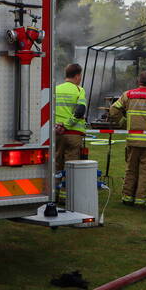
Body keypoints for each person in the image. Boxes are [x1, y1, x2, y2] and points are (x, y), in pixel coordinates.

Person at [108, 70, 146, 207]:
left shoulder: (127, 95)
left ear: (138, 81)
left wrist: (124, 123)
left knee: (130, 169)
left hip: (132, 140)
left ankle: (127, 197)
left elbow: (113, 110)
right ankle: (141, 200)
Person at [54, 63, 87, 201]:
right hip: (73, 133)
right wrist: (67, 125)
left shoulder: (55, 89)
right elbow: (80, 111)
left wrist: (58, 126)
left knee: (56, 163)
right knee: (71, 165)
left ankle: (53, 194)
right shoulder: (79, 90)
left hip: (56, 133)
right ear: (78, 76)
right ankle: (66, 195)